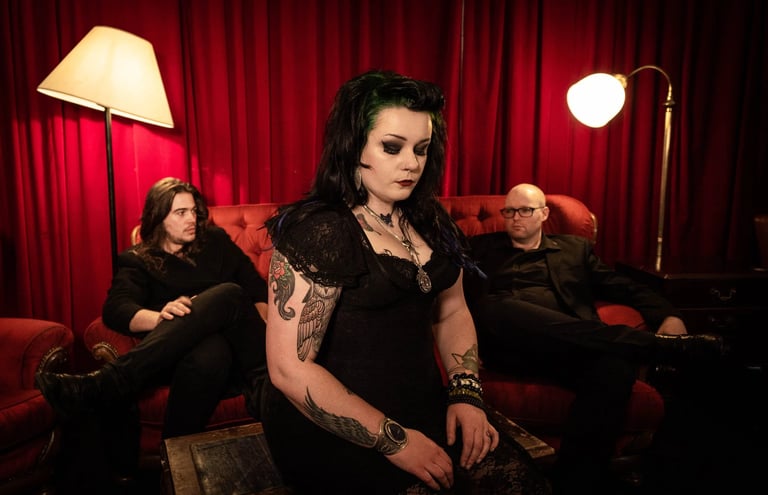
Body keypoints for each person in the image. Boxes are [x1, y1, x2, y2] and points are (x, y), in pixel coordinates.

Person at [260, 70, 550, 494]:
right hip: (332, 422)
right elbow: (290, 369)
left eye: (422, 149)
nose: (412, 163)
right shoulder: (320, 230)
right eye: (392, 147)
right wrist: (393, 441)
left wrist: (466, 392)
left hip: (421, 403)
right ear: (353, 144)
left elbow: (451, 310)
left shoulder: (431, 220)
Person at [464, 183, 725, 494]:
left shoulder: (575, 250)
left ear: (544, 214)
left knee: (614, 370)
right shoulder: (480, 248)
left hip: (572, 346)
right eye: (509, 211)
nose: (515, 217)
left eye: (525, 210)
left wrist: (671, 316)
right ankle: (656, 347)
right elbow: (449, 295)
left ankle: (574, 483)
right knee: (497, 306)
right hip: (510, 347)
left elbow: (627, 288)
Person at [36, 177, 268, 439]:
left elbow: (256, 288)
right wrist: (160, 318)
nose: (191, 219)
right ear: (159, 217)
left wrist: (265, 328)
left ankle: (109, 382)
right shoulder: (138, 260)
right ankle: (172, 451)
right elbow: (116, 308)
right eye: (181, 212)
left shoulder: (215, 241)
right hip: (186, 358)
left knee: (230, 293)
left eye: (193, 211)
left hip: (241, 346)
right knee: (211, 351)